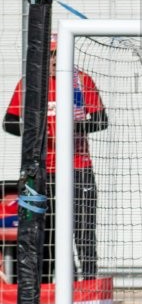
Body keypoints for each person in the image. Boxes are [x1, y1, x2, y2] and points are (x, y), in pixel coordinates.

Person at [3, 34, 107, 281]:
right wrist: (36, 136)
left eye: (57, 54)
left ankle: (90, 281)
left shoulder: (80, 81)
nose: (53, 60)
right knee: (50, 230)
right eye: (48, 55)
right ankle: (64, 281)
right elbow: (8, 122)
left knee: (82, 230)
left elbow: (101, 120)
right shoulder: (30, 83)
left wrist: (73, 129)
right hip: (43, 170)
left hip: (78, 167)